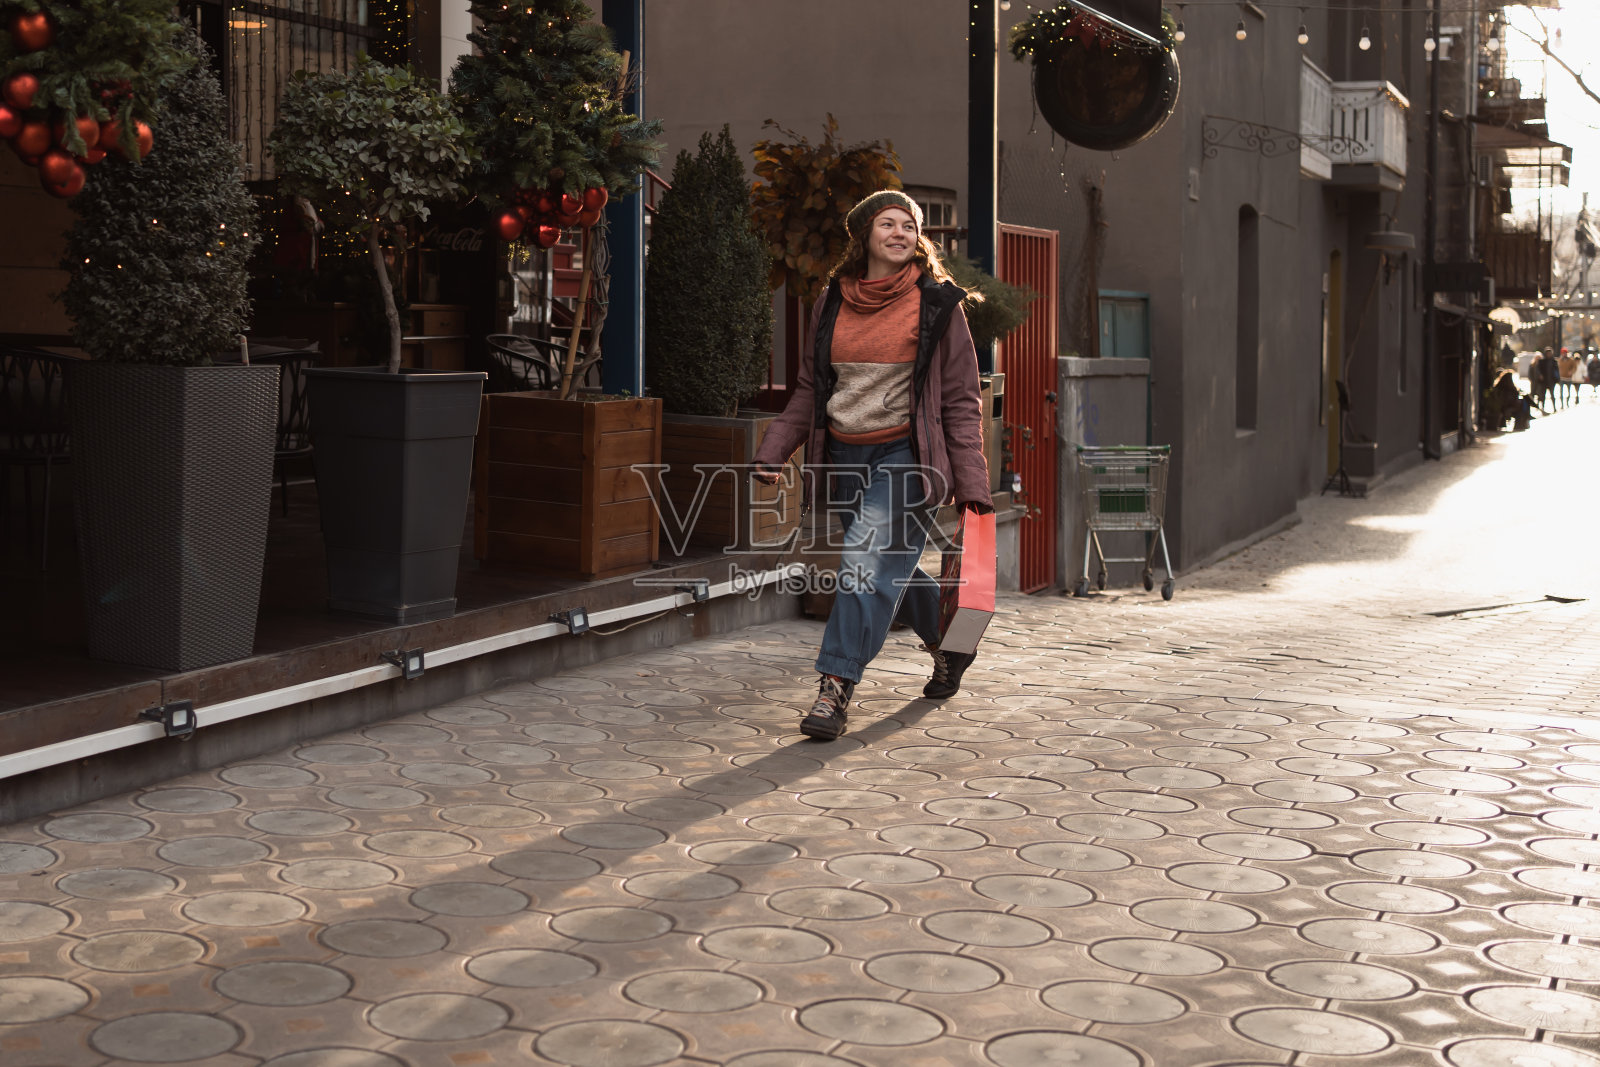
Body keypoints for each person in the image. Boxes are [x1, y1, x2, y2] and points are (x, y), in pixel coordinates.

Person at [753, 190, 993, 741]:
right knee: (891, 571)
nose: (901, 232)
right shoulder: (832, 301)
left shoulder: (938, 305)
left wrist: (972, 485)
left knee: (865, 563)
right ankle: (952, 646)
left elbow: (960, 400)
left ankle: (834, 687)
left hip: (907, 460)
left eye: (909, 225)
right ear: (864, 236)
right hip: (843, 457)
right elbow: (813, 388)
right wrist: (774, 449)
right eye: (888, 223)